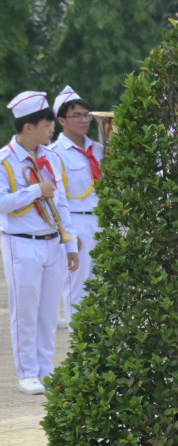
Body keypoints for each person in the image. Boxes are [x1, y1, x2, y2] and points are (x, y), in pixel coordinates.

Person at [1, 92, 76, 394]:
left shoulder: (51, 157)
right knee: (25, 312)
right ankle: (27, 372)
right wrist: (34, 191)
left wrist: (70, 244)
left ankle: (47, 368)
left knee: (48, 313)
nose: (52, 129)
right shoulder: (5, 160)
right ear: (28, 126)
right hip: (22, 243)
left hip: (53, 242)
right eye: (47, 124)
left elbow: (64, 203)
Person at [48, 86, 101, 318]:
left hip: (101, 222)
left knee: (102, 289)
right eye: (76, 115)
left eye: (86, 114)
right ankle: (81, 347)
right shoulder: (54, 153)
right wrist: (67, 233)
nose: (83, 120)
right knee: (77, 290)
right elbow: (56, 200)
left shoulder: (99, 150)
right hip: (76, 223)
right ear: (61, 120)